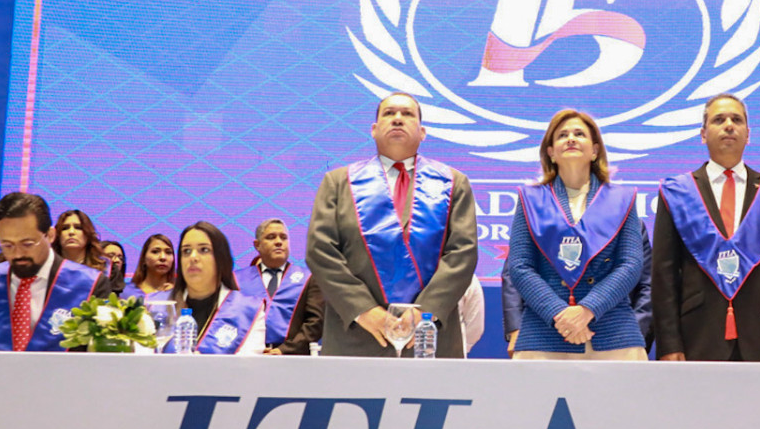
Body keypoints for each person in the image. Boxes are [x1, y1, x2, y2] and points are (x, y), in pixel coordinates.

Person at [305, 92, 479, 357]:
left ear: (422, 132)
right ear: (374, 130)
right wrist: (364, 310)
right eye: (389, 113)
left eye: (407, 114)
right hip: (356, 334)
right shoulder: (338, 183)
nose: (398, 119)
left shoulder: (454, 183)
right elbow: (320, 252)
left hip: (429, 334)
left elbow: (462, 254)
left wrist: (424, 311)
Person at [651, 93, 760, 362]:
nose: (729, 125)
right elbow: (664, 276)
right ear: (703, 134)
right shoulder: (677, 193)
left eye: (737, 120)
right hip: (696, 335)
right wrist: (669, 344)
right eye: (719, 120)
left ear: (748, 134)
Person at [505, 109, 648, 360]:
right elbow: (519, 266)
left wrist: (587, 310)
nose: (571, 138)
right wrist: (560, 314)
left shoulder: (622, 198)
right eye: (562, 135)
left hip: (613, 335)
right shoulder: (530, 199)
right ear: (551, 152)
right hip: (544, 334)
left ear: (595, 150)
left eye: (579, 134)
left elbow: (631, 264)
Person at [0, 193, 105, 351]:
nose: (17, 254)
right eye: (7, 245)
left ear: (50, 235)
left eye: (27, 244)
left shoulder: (89, 286)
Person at [502, 224, 654, 355]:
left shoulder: (627, 219)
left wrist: (633, 334)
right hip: (543, 335)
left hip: (616, 337)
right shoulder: (537, 216)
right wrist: (516, 329)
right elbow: (518, 272)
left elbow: (646, 286)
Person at [164, 221, 269, 354]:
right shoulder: (157, 304)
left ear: (221, 259)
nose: (193, 257)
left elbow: (249, 363)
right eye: (186, 251)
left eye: (204, 250)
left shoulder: (248, 310)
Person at [239, 218, 325, 354]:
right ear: (257, 245)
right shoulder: (238, 279)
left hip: (292, 358)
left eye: (283, 238)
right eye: (271, 237)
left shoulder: (308, 278)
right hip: (248, 356)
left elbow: (316, 323)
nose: (279, 242)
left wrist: (283, 350)